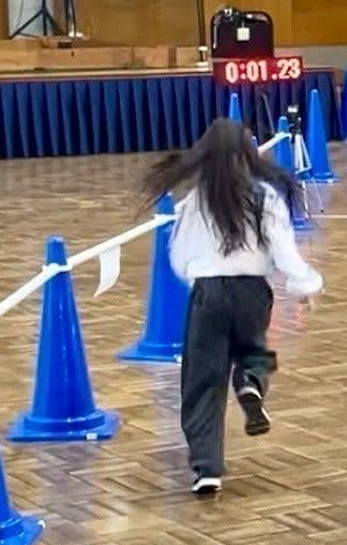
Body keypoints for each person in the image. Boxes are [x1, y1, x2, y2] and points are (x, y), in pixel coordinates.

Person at [138, 118, 323, 495]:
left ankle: (207, 468)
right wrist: (304, 285)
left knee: (202, 381)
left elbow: (179, 256)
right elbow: (284, 251)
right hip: (252, 291)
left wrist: (199, 281)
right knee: (255, 352)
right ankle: (250, 383)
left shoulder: (195, 202)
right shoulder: (265, 197)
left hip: (208, 293)